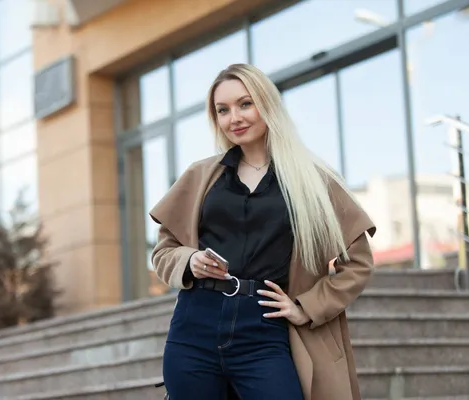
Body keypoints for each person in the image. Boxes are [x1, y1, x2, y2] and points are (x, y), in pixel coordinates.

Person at [149, 63, 376, 400]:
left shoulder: (312, 179)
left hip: (265, 326)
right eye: (222, 110)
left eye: (245, 104)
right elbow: (164, 251)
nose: (234, 118)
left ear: (266, 104)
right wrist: (190, 260)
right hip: (195, 324)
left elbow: (357, 262)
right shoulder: (201, 176)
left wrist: (306, 306)